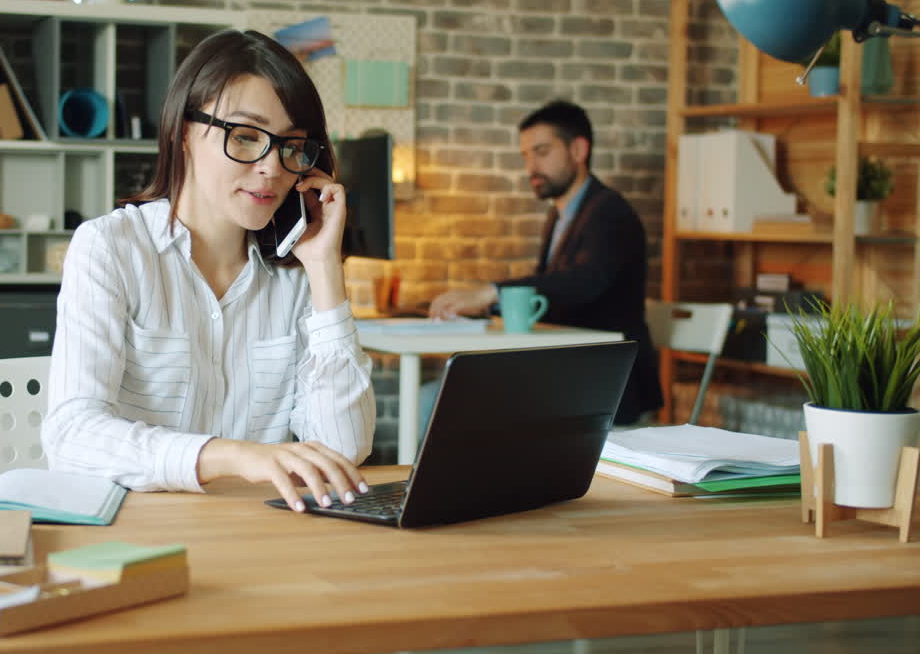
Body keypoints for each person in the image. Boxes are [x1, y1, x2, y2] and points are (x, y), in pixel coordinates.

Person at [43, 30, 376, 513]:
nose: (271, 168)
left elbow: (342, 450)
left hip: (259, 540)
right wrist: (233, 456)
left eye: (292, 146)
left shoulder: (297, 272)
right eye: (245, 136)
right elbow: (71, 436)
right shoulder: (112, 247)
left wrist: (325, 268)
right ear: (183, 131)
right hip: (135, 531)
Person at [429, 100, 662, 425]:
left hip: (609, 385)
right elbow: (551, 292)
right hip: (574, 376)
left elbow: (582, 282)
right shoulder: (560, 216)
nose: (531, 167)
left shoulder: (610, 212)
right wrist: (487, 309)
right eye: (526, 155)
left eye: (541, 152)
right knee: (445, 398)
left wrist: (493, 292)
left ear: (578, 150)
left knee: (448, 403)